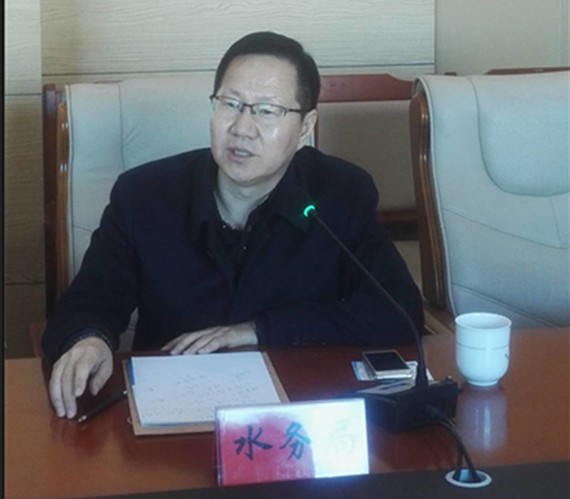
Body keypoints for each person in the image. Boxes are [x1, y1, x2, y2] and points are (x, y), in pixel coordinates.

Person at [43, 31, 424, 419]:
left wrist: (259, 330)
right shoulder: (145, 195)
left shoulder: (340, 193)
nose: (242, 128)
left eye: (266, 111)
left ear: (305, 126)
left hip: (298, 411)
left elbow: (398, 311)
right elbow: (89, 300)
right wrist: (88, 340)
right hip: (170, 414)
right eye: (231, 104)